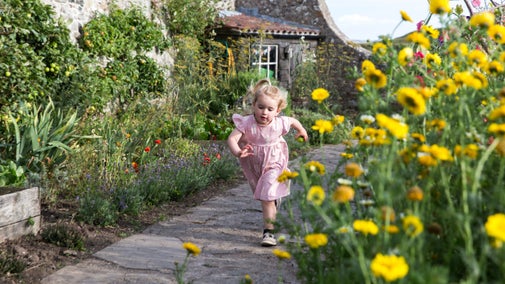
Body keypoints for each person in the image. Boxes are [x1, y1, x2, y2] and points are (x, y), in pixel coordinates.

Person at [227, 79, 308, 247]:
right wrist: (238, 151)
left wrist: (301, 130)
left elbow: (292, 121)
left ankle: (269, 233)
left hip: (275, 162)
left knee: (267, 196)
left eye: (270, 109)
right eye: (261, 107)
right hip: (255, 164)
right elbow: (232, 138)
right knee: (265, 195)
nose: (265, 112)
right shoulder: (247, 122)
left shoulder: (279, 122)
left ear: (277, 111)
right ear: (254, 105)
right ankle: (273, 200)